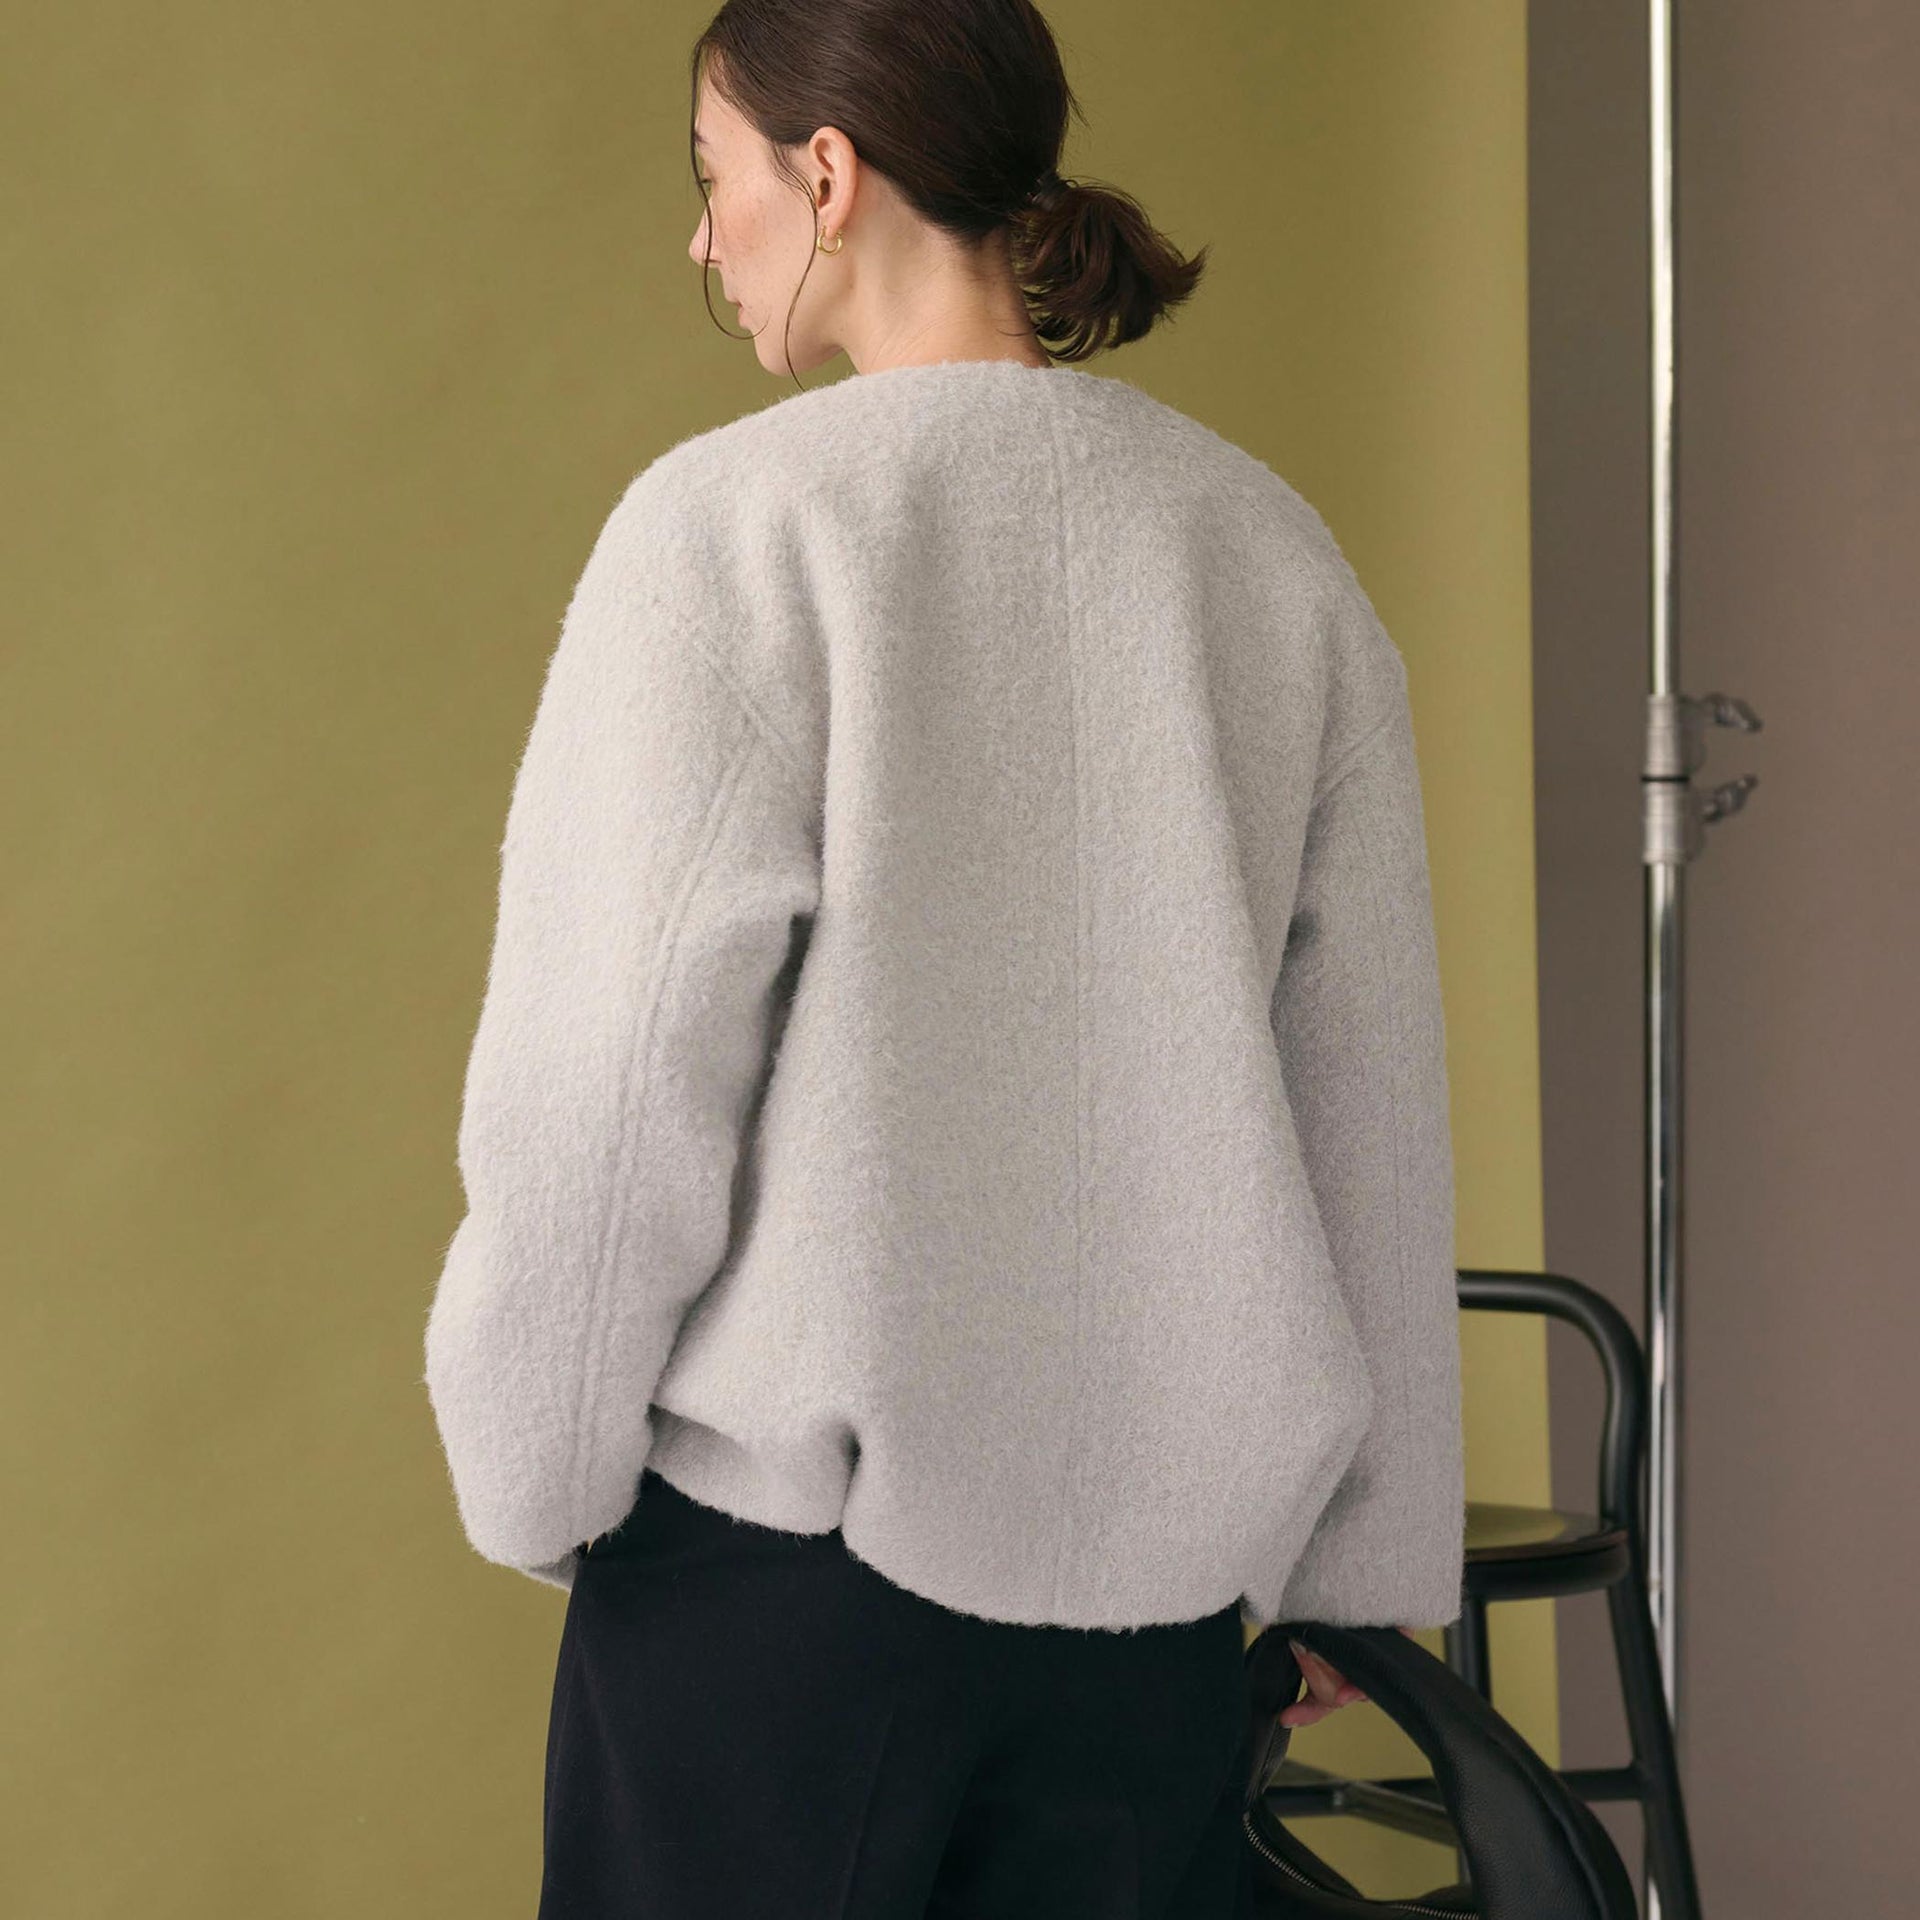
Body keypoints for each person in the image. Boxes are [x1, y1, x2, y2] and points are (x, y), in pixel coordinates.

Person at [421, 2, 1466, 1913]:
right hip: (1156, 1645)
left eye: (715, 179)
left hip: (780, 1603)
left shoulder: (733, 532)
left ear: (826, 173)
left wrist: (539, 1471)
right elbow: (1366, 1087)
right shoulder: (1269, 554)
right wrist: (1359, 1567)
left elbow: (613, 1080)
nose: (702, 236)